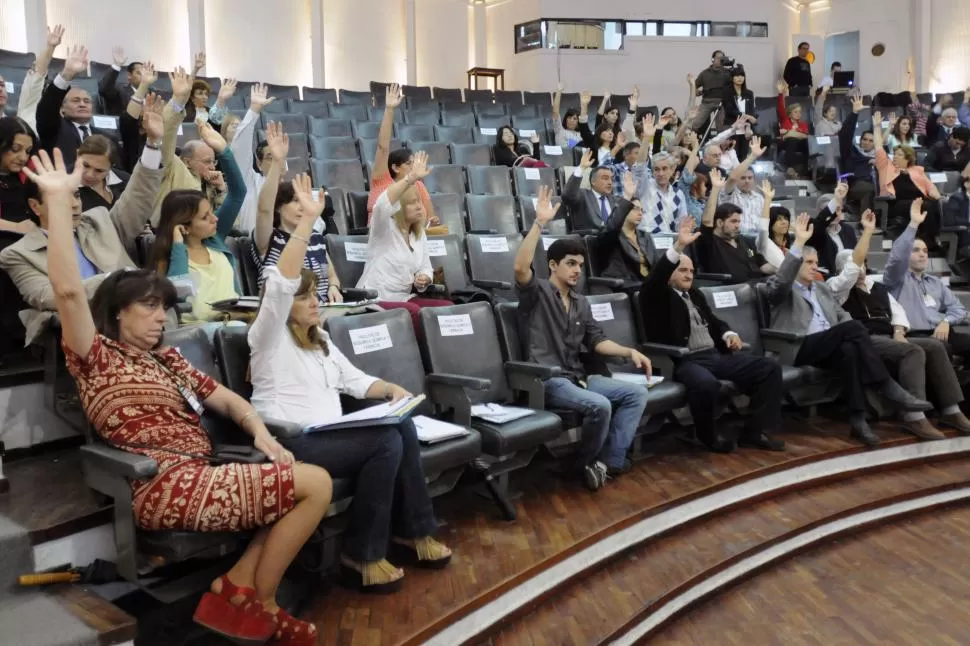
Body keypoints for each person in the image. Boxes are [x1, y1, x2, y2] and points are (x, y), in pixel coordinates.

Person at [36, 146, 330, 646]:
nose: (159, 318)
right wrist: (60, 203)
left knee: (298, 485)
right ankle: (256, 601)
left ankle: (240, 594)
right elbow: (66, 292)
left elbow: (232, 403)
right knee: (315, 484)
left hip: (203, 472)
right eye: (148, 308)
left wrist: (264, 435)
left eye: (162, 308)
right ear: (118, 313)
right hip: (163, 483)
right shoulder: (95, 356)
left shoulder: (168, 359)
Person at [248, 184, 449, 594]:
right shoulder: (266, 334)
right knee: (385, 442)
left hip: (331, 435)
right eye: (305, 299)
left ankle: (412, 531)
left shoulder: (318, 336)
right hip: (292, 441)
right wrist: (306, 222)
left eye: (314, 296)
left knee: (401, 425)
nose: (315, 303)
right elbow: (279, 285)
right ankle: (362, 553)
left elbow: (354, 380)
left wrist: (389, 389)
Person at [515, 186, 650, 490]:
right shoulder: (537, 294)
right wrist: (539, 223)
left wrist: (629, 352)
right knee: (600, 405)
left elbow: (597, 341)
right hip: (547, 380)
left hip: (579, 378)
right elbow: (520, 267)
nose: (578, 270)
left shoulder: (581, 301)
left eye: (580, 264)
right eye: (571, 264)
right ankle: (583, 466)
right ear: (553, 265)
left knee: (636, 394)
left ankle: (607, 463)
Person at [1, 101, 166, 346]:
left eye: (77, 195)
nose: (76, 204)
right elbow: (48, 296)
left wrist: (153, 144)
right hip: (88, 331)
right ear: (36, 207)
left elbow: (138, 199)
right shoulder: (16, 254)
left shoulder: (98, 220)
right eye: (63, 197)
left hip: (144, 319)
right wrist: (116, 281)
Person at [761, 213, 931, 446]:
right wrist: (798, 243)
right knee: (852, 329)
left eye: (816, 262)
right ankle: (886, 386)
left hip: (826, 346)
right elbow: (780, 282)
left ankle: (858, 420)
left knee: (851, 350)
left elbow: (843, 317)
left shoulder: (821, 289)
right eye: (809, 263)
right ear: (797, 264)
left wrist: (849, 329)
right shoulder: (782, 289)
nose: (815, 267)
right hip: (796, 345)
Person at [640, 215, 785, 453]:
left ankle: (754, 431)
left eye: (692, 271)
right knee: (706, 384)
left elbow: (715, 322)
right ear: (669, 274)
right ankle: (707, 437)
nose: (689, 275)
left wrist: (728, 333)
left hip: (715, 356)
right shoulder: (656, 295)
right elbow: (654, 278)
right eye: (683, 270)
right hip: (684, 360)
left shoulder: (695, 294)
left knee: (768, 368)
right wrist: (678, 246)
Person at [826, 215, 970, 438]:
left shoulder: (877, 287)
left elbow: (898, 312)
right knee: (913, 350)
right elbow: (849, 275)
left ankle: (951, 409)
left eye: (863, 263)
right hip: (865, 338)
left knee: (935, 346)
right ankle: (913, 417)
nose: (860, 269)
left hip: (891, 335)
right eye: (854, 265)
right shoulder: (836, 287)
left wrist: (898, 330)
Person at [150, 120, 245, 324]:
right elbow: (181, 301)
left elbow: (238, 193)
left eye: (211, 212)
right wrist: (177, 246)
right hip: (201, 337)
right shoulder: (171, 255)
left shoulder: (214, 238)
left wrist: (223, 150)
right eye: (205, 216)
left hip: (236, 327)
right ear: (183, 226)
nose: (216, 218)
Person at [356, 151, 451, 327]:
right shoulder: (383, 226)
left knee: (447, 309)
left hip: (405, 297)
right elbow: (383, 203)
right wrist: (411, 177)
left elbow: (425, 266)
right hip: (376, 297)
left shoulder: (418, 233)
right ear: (399, 207)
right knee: (413, 312)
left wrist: (424, 278)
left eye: (419, 202)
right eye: (413, 202)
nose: (420, 207)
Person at [252, 128, 341, 304]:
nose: (303, 207)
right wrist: (277, 163)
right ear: (278, 207)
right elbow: (264, 209)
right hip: (286, 314)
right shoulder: (269, 239)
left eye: (305, 201)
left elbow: (332, 276)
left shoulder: (315, 237)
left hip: (324, 310)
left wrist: (333, 287)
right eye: (295, 201)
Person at [883, 199, 970, 367]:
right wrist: (913, 224)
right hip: (916, 334)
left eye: (925, 251)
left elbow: (958, 309)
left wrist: (946, 322)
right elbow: (897, 257)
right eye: (915, 250)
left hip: (943, 331)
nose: (923, 254)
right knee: (941, 348)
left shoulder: (935, 282)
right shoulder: (895, 279)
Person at [151, 66, 227, 224]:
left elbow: (230, 224)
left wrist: (221, 191)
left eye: (213, 162)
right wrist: (178, 100)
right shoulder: (172, 167)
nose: (212, 167)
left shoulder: (213, 183)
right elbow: (167, 136)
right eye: (207, 162)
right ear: (187, 162)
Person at [35, 45, 119, 169]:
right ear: (62, 109)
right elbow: (47, 109)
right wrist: (66, 75)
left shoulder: (107, 138)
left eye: (87, 101)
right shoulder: (54, 129)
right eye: (76, 100)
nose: (82, 104)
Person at [366, 84, 436, 225]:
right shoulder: (381, 180)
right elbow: (382, 147)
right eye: (409, 163)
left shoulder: (418, 185)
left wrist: (433, 221)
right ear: (395, 167)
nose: (414, 167)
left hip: (413, 238)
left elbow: (430, 218)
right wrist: (390, 109)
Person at [872, 111, 942, 240]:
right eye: (895, 153)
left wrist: (939, 198)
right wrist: (877, 127)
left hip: (920, 201)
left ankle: (935, 237)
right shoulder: (886, 166)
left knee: (937, 204)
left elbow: (930, 187)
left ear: (908, 158)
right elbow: (878, 147)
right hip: (896, 204)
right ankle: (930, 239)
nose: (894, 156)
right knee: (926, 205)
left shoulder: (917, 170)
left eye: (899, 154)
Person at [695, 169, 774, 283]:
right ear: (719, 223)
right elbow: (707, 221)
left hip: (755, 289)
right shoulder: (710, 242)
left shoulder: (745, 241)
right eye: (733, 221)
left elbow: (763, 266)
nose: (737, 225)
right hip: (729, 292)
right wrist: (716, 190)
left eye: (738, 222)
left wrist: (782, 268)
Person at [226, 83, 281, 233]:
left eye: (280, 157)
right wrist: (254, 110)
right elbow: (239, 148)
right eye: (271, 157)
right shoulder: (250, 182)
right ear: (259, 163)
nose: (278, 161)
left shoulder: (295, 190)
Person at [598, 172, 659, 284]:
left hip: (647, 284)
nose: (640, 213)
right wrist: (626, 197)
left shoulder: (645, 236)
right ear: (625, 210)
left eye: (641, 210)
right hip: (625, 284)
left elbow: (656, 264)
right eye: (635, 208)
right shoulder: (614, 236)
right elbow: (612, 227)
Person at [633, 115, 688, 234]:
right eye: (656, 169)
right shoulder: (646, 186)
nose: (660, 173)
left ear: (673, 169)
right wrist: (647, 138)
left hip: (667, 241)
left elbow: (680, 224)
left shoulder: (679, 194)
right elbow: (639, 167)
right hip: (645, 238)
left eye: (664, 168)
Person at [718, 135, 767, 234]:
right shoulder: (728, 193)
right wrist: (752, 156)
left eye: (750, 178)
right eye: (743, 178)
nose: (747, 181)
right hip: (735, 237)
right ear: (737, 180)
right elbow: (732, 177)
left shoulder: (759, 198)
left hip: (756, 240)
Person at [838, 95, 878, 213]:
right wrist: (854, 113)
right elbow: (844, 136)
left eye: (871, 141)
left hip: (876, 182)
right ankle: (865, 222)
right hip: (855, 184)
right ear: (860, 140)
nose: (866, 142)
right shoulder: (851, 152)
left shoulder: (878, 155)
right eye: (864, 139)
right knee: (870, 189)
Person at [807, 185, 859, 275]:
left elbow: (857, 255)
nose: (834, 214)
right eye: (832, 211)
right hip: (827, 280)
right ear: (820, 213)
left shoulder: (848, 230)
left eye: (838, 209)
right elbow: (819, 223)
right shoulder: (815, 230)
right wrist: (836, 200)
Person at [563, 149, 617, 231]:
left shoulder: (615, 200)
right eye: (605, 178)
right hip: (590, 240)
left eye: (611, 179)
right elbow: (568, 196)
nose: (610, 182)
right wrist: (581, 168)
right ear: (593, 181)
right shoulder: (583, 195)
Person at [0, 117, 37, 231]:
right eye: (15, 149)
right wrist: (16, 227)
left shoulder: (27, 176)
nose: (23, 158)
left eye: (28, 151)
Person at [74, 134, 128, 211]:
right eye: (86, 165)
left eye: (99, 170)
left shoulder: (125, 180)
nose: (89, 175)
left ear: (111, 167)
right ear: (77, 155)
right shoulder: (62, 187)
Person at [97, 46, 149, 117]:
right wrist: (116, 65)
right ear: (129, 75)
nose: (143, 76)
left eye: (145, 73)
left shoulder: (152, 94)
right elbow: (104, 89)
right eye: (139, 73)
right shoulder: (120, 90)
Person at [721, 66, 757, 160]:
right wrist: (746, 116)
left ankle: (742, 173)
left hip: (746, 128)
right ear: (732, 78)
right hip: (733, 125)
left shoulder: (749, 93)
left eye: (742, 75)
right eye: (737, 76)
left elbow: (751, 109)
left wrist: (751, 119)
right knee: (732, 155)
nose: (740, 78)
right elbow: (729, 109)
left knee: (743, 155)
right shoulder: (726, 92)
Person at [776, 81, 810, 177]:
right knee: (792, 140)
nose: (798, 114)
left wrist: (789, 133)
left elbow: (806, 136)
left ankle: (808, 168)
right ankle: (790, 168)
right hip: (786, 144)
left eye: (800, 112)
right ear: (790, 113)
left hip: (799, 144)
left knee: (807, 142)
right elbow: (781, 107)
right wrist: (781, 93)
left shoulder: (803, 124)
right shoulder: (785, 120)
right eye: (796, 112)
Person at [693, 51, 731, 133]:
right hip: (707, 102)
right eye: (718, 58)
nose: (720, 60)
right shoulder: (704, 73)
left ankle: (720, 145)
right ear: (713, 59)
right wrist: (696, 91)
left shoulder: (727, 73)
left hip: (722, 103)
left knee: (721, 128)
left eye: (722, 58)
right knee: (695, 124)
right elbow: (694, 85)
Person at [757, 186, 792, 271]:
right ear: (771, 223)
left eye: (786, 219)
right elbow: (763, 228)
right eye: (779, 219)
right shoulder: (764, 242)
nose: (784, 222)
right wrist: (767, 200)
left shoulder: (788, 241)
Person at [551, 85, 584, 149]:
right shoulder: (560, 130)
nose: (571, 120)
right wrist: (559, 91)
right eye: (569, 118)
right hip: (564, 157)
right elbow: (555, 112)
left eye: (575, 119)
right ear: (566, 119)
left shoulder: (581, 134)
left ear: (578, 122)